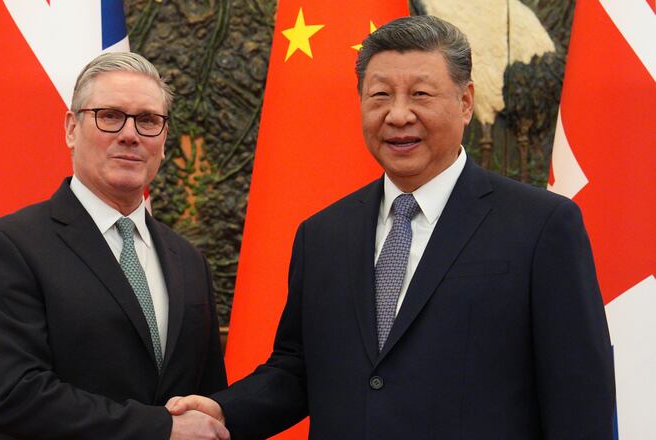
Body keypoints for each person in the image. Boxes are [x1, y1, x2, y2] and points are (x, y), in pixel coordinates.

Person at [167, 15, 615, 439]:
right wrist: (226, 411)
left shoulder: (541, 225)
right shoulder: (322, 234)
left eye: (420, 94)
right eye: (380, 96)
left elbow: (578, 395)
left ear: (465, 102)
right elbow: (299, 368)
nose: (398, 115)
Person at [0, 52, 229, 440]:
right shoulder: (9, 247)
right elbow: (14, 396)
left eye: (148, 121)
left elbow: (206, 398)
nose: (130, 134)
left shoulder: (188, 259)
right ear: (71, 128)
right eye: (109, 116)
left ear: (164, 140)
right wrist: (160, 429)